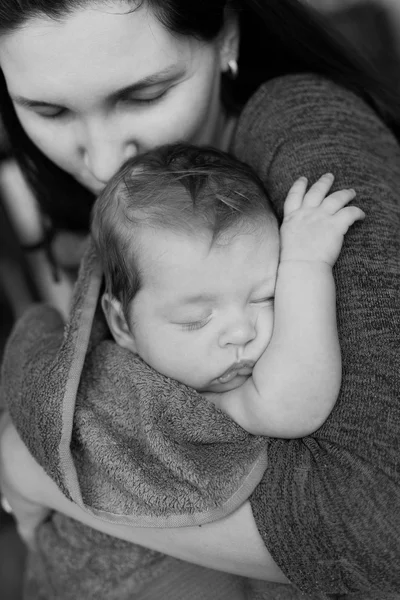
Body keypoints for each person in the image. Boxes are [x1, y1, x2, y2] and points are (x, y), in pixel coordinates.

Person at [0, 0, 399, 598]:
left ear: (227, 36)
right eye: (48, 110)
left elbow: (379, 533)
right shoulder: (135, 221)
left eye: (145, 95)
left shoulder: (308, 150)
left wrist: (40, 471)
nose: (106, 161)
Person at [92, 143, 363, 436]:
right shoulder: (163, 407)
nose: (242, 333)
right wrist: (308, 264)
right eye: (195, 318)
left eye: (266, 297)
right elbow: (287, 407)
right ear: (122, 324)